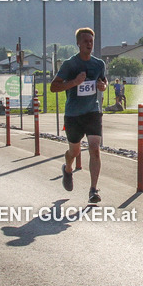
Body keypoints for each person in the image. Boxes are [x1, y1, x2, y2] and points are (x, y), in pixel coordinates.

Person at [51, 28, 108, 204]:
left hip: (92, 112)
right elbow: (54, 87)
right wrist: (74, 82)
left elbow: (104, 81)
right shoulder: (70, 65)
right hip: (73, 114)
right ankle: (67, 168)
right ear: (78, 43)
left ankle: (93, 190)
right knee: (74, 151)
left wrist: (102, 87)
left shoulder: (99, 64)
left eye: (91, 41)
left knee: (95, 149)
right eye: (85, 41)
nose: (89, 44)